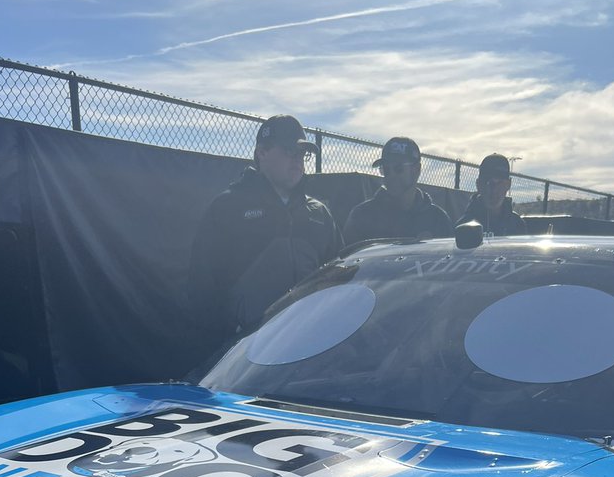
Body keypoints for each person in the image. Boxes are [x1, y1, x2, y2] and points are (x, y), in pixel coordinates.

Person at [187, 114, 341, 344]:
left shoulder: (319, 212)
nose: (298, 159)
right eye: (289, 150)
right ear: (262, 153)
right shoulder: (228, 207)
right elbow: (202, 284)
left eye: (302, 153)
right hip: (244, 352)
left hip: (308, 342)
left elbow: (338, 276)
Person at [342, 137, 452, 246]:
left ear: (416, 170)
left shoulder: (437, 219)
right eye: (386, 169)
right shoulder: (362, 215)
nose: (391, 175)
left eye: (398, 168)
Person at [458, 153, 526, 237]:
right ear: (478, 184)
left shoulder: (517, 225)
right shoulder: (463, 227)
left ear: (508, 185)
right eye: (488, 183)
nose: (494, 190)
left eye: (500, 183)